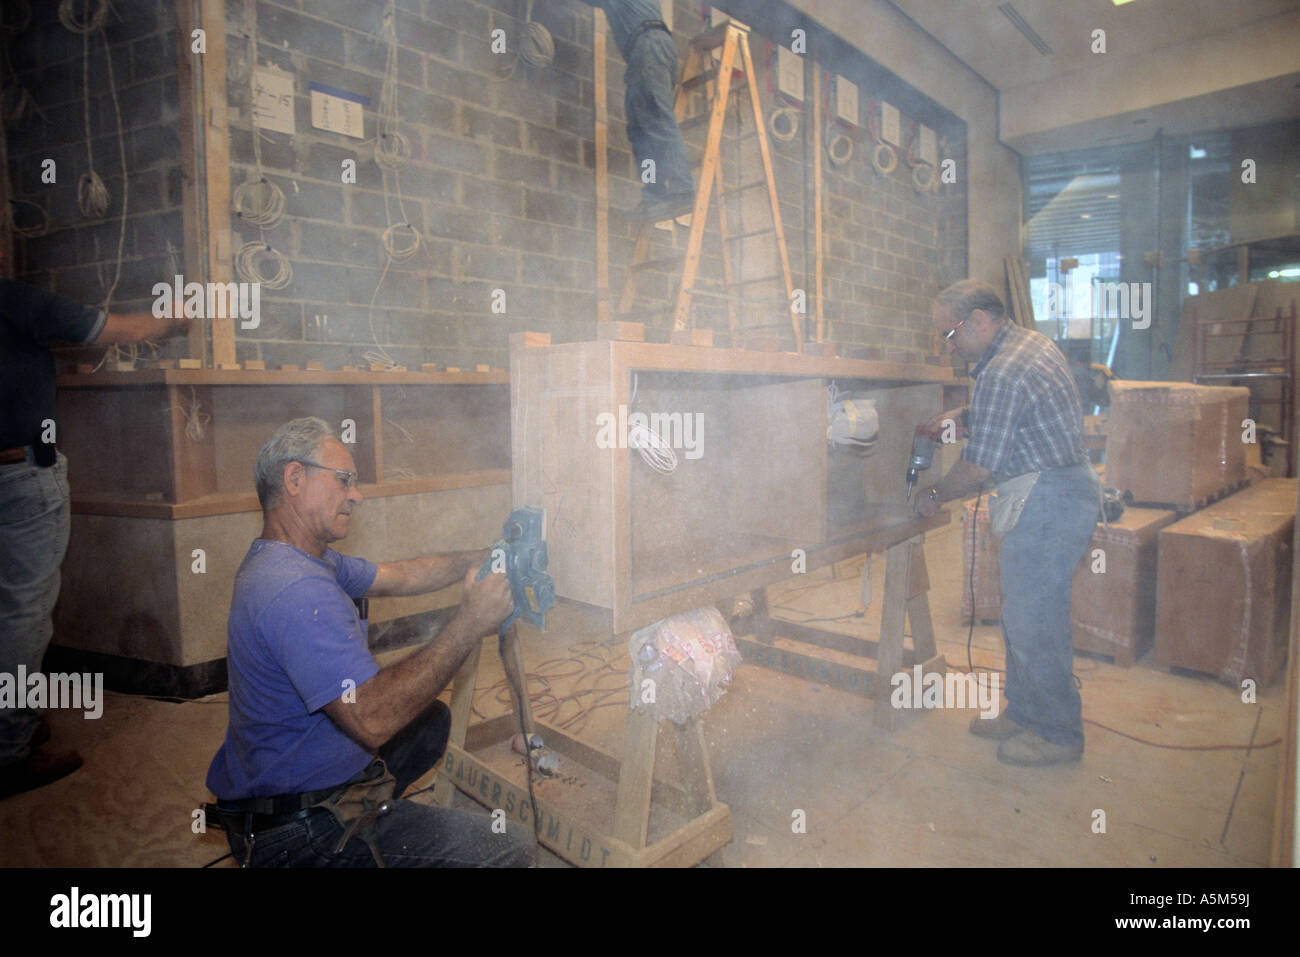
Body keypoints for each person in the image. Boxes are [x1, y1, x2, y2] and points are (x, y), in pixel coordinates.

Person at [205, 417, 533, 867]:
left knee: (430, 721)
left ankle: (378, 818)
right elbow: (372, 719)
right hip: (298, 833)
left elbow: (400, 575)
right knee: (509, 847)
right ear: (295, 479)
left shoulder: (297, 557)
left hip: (275, 785)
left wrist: (481, 558)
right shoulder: (293, 590)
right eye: (344, 481)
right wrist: (470, 621)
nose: (356, 495)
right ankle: (353, 840)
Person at [0, 277, 188, 799]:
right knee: (20, 614)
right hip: (18, 475)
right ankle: (8, 750)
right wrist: (177, 317)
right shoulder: (16, 298)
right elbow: (114, 330)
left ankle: (13, 721)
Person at [914, 279, 1099, 767]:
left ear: (978, 321)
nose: (948, 348)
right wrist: (967, 413)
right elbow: (1014, 412)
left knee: (1035, 620)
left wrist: (935, 494)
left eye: (950, 335)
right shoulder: (1027, 343)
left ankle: (1058, 733)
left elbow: (978, 468)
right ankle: (1027, 712)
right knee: (1024, 615)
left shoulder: (1003, 371)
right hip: (1062, 489)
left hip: (1049, 498)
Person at [582, 0, 696, 221]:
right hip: (645, 50)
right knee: (639, 133)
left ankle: (682, 189)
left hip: (648, 45)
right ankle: (654, 194)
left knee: (657, 120)